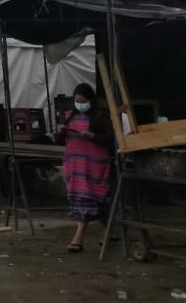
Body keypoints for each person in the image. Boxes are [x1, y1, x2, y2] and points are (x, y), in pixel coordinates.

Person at [56, 83, 114, 252]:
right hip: (74, 167)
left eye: (83, 102)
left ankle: (78, 239)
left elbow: (110, 138)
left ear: (91, 101)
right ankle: (111, 232)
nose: (80, 105)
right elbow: (60, 140)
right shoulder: (69, 116)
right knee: (93, 203)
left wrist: (92, 136)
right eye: (77, 101)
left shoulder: (101, 116)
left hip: (94, 166)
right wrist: (60, 131)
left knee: (86, 199)